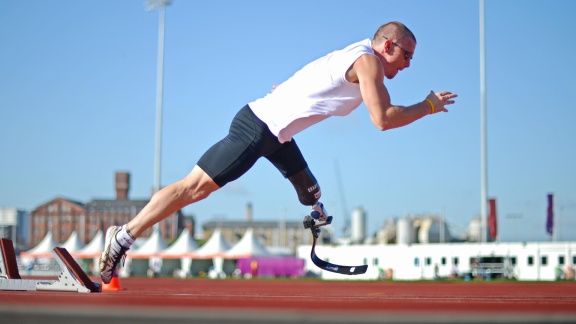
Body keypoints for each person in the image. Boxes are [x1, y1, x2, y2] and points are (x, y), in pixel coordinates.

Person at [100, 21, 457, 283]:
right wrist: (427, 105)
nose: (408, 64)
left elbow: (313, 75)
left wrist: (285, 91)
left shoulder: (353, 53)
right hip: (258, 128)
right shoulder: (368, 62)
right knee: (192, 189)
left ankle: (316, 208)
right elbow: (382, 119)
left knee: (312, 193)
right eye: (407, 55)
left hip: (278, 135)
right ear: (388, 46)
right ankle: (124, 235)